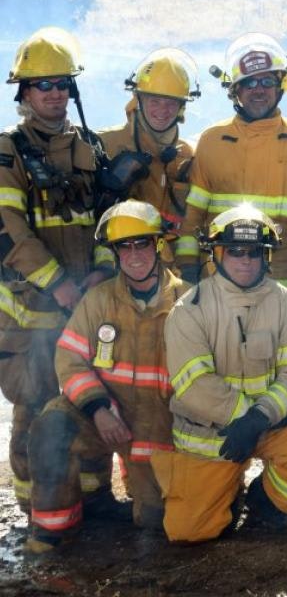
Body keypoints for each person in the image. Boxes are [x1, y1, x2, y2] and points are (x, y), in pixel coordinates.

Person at [152, 205, 287, 543]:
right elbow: (194, 385)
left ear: (266, 256)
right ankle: (225, 493)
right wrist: (243, 418)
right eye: (234, 250)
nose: (245, 259)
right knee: (188, 532)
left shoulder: (285, 302)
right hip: (212, 437)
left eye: (254, 251)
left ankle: (266, 504)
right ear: (216, 254)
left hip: (267, 423)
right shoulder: (189, 310)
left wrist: (258, 419)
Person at [25, 202, 188, 553]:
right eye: (124, 246)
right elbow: (69, 359)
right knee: (52, 426)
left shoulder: (188, 303)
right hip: (106, 418)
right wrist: (98, 408)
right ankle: (54, 533)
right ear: (114, 253)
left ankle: (145, 492)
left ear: (158, 245)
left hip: (159, 434)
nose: (134, 254)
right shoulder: (98, 301)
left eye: (142, 243)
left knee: (156, 522)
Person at [0, 27, 111, 516]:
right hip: (31, 310)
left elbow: (113, 221)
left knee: (92, 400)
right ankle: (36, 511)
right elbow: (9, 232)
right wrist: (60, 285)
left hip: (86, 302)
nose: (54, 93)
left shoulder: (90, 146)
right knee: (35, 407)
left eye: (63, 84)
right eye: (43, 85)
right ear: (24, 93)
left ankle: (93, 499)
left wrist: (101, 274)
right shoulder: (8, 151)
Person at [175, 33, 287, 296]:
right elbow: (193, 217)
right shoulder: (211, 141)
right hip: (218, 283)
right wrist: (189, 270)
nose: (259, 90)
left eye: (267, 81)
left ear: (280, 86)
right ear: (235, 91)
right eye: (249, 83)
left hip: (284, 287)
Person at [97, 48, 200, 267]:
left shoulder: (187, 154)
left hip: (171, 273)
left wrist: (188, 269)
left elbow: (191, 221)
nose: (163, 110)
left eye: (172, 102)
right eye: (155, 101)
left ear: (182, 107)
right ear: (138, 100)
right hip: (123, 267)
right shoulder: (106, 144)